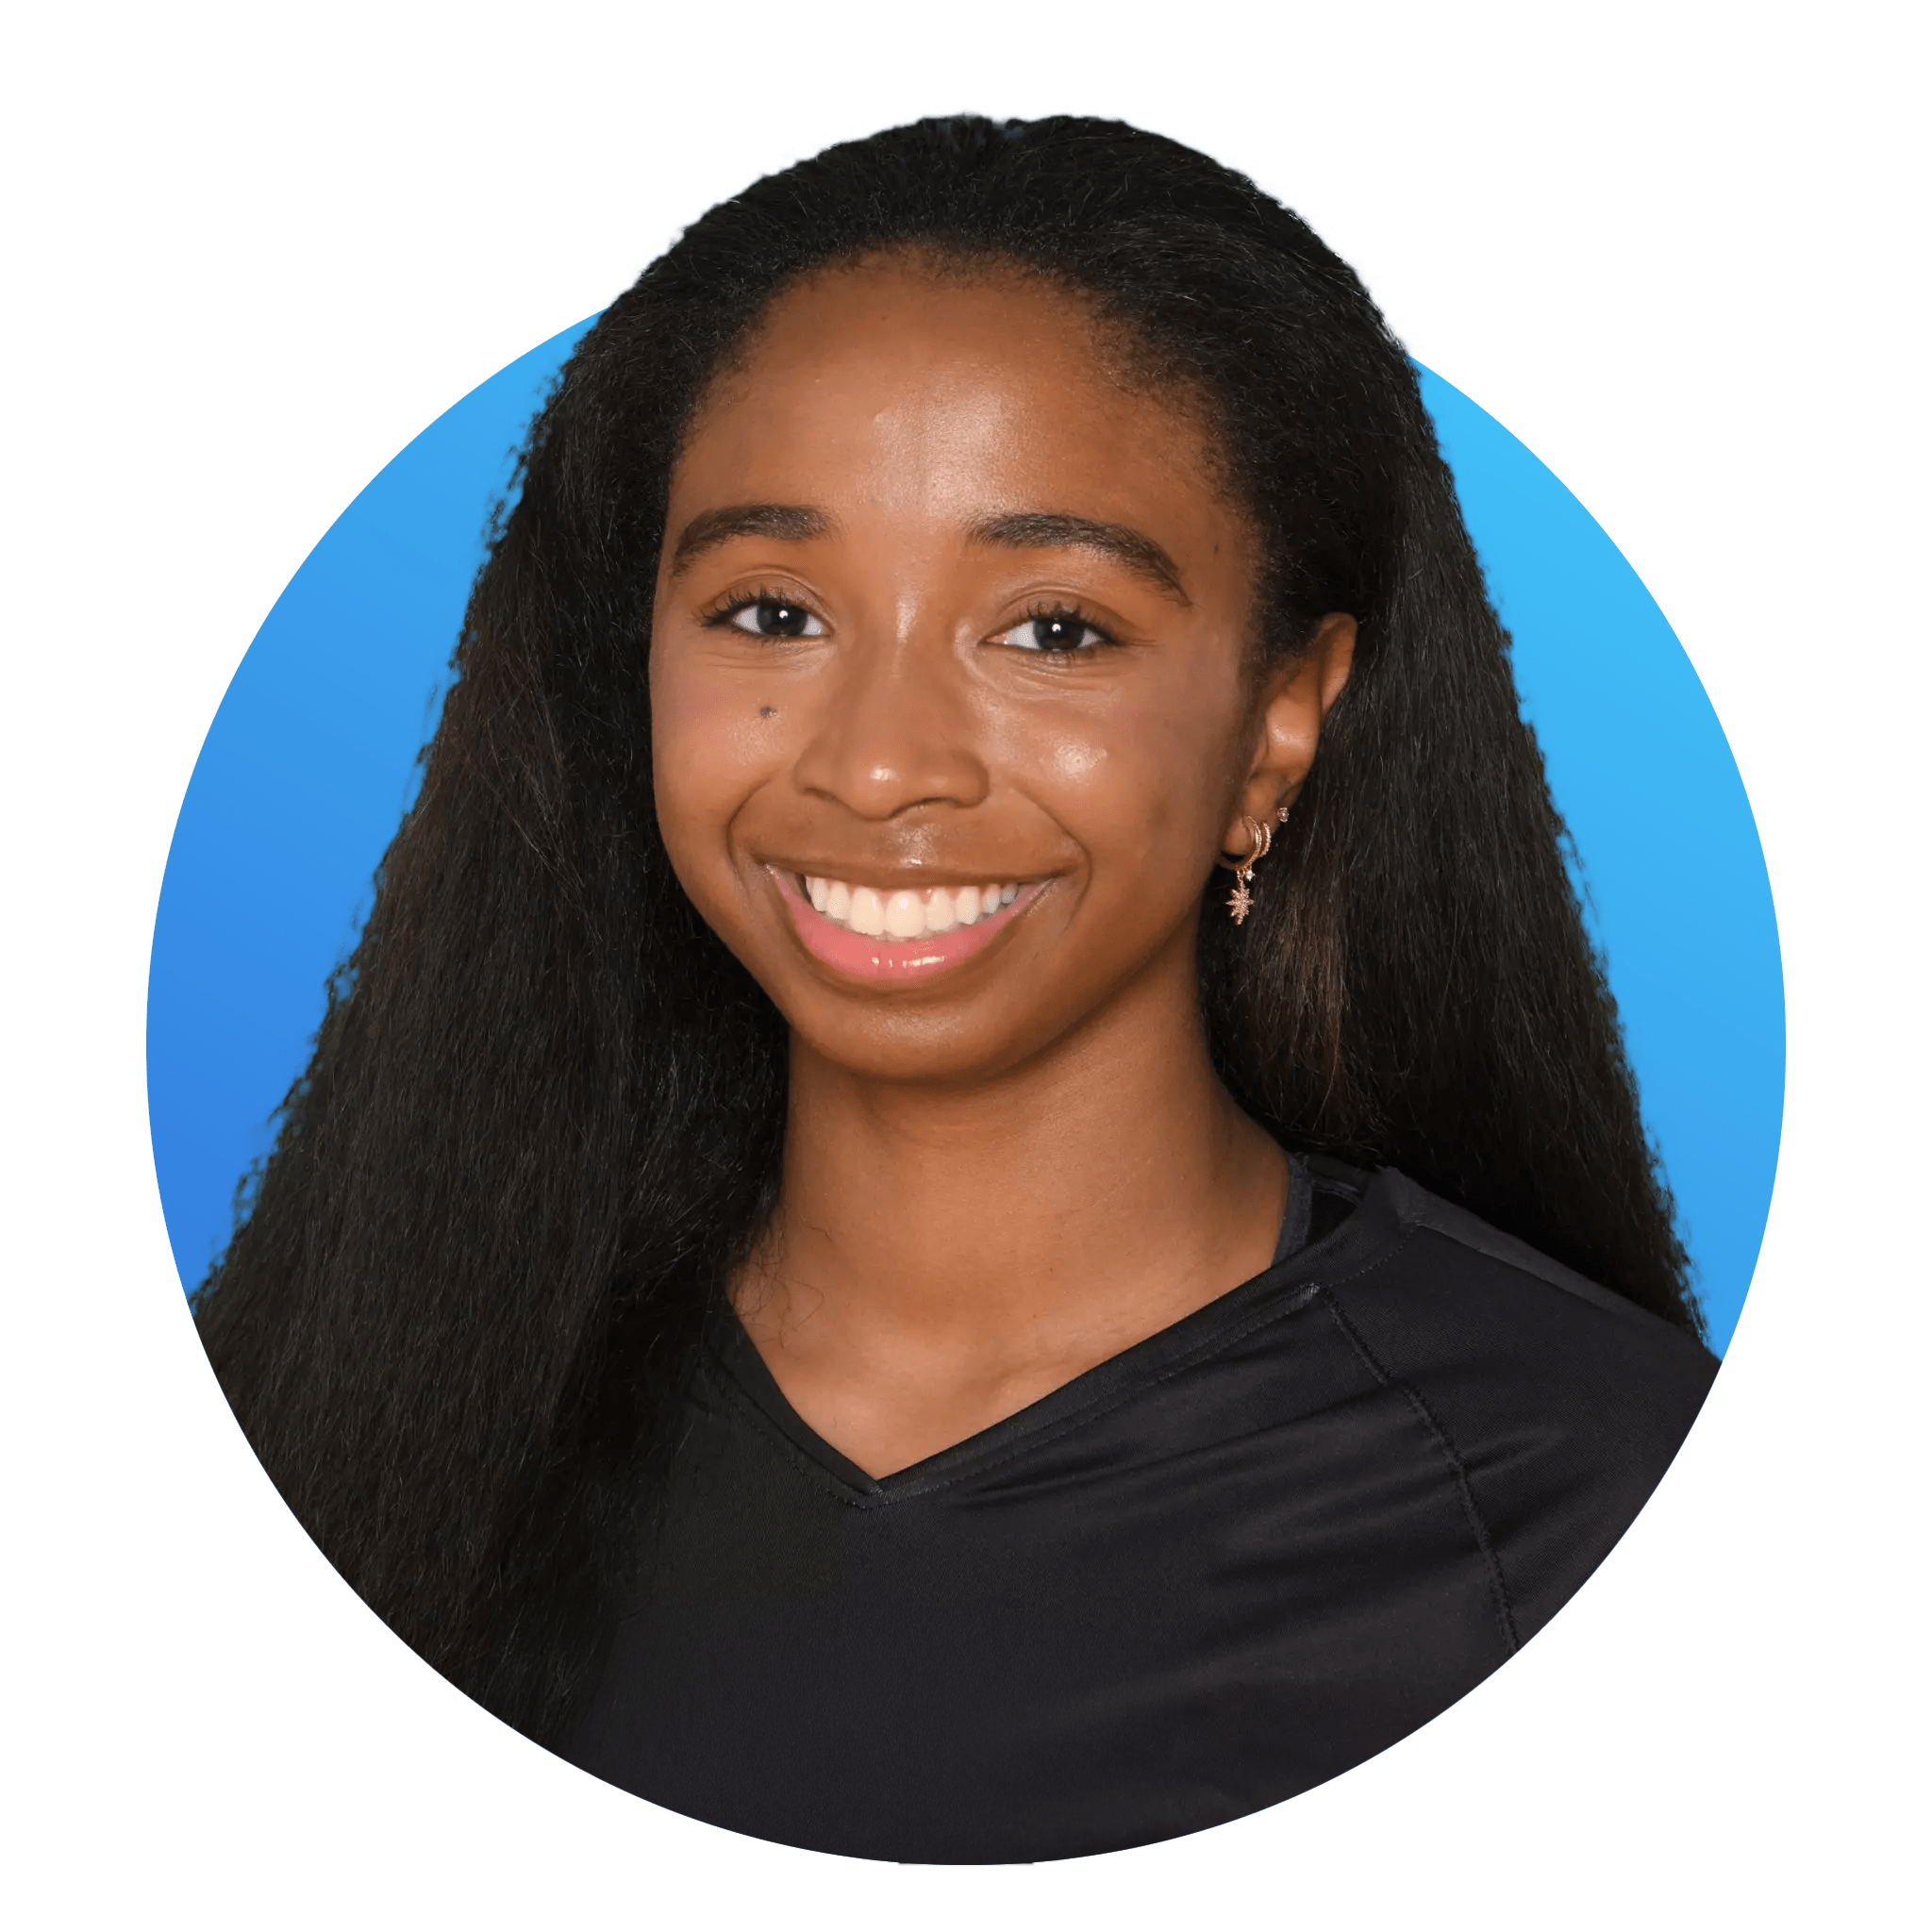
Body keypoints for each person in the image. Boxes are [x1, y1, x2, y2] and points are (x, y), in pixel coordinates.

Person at [191, 109, 1719, 1862]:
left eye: (1053, 629)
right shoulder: (362, 1393)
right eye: (771, 614)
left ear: (1279, 720)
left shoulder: (1569, 1495)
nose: (879, 766)